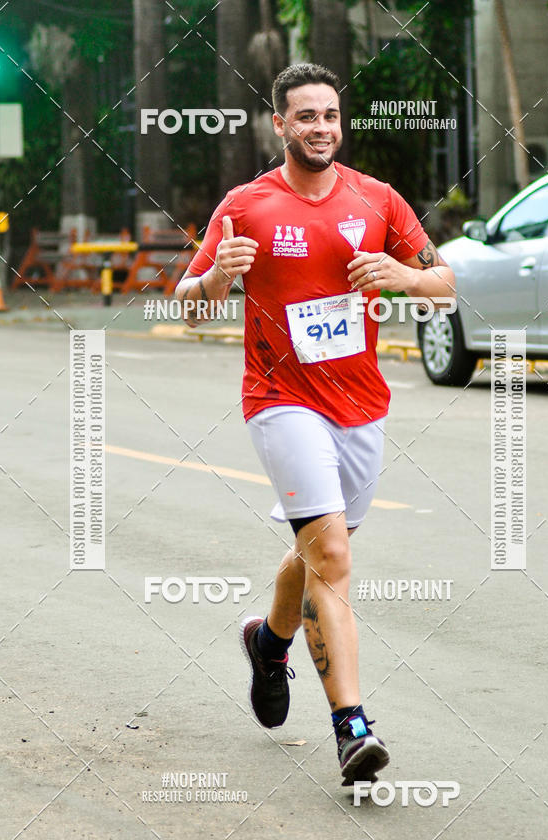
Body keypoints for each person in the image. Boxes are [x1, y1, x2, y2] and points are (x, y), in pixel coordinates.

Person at [175, 63, 456, 785]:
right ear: (280, 124)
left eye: (329, 115)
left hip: (360, 405)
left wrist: (407, 278)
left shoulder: (378, 200)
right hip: (280, 399)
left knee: (316, 552)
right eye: (305, 117)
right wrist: (214, 280)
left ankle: (269, 643)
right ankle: (351, 727)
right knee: (331, 554)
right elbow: (185, 304)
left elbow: (444, 284)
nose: (320, 128)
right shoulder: (247, 206)